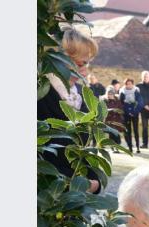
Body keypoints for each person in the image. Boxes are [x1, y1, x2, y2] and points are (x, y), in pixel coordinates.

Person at [37, 27, 102, 194]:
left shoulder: (81, 96)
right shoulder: (40, 93)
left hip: (76, 201)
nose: (85, 72)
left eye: (87, 63)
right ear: (58, 60)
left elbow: (84, 149)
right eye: (80, 64)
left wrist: (94, 183)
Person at [119, 78, 142, 153]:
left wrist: (134, 112)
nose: (129, 85)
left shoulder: (136, 91)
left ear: (132, 84)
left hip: (135, 114)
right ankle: (130, 147)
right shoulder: (122, 92)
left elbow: (140, 102)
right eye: (127, 84)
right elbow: (121, 103)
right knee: (127, 131)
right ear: (125, 84)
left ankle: (138, 147)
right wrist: (127, 112)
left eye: (130, 84)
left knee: (136, 130)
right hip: (126, 114)